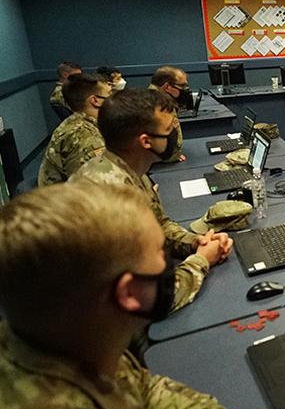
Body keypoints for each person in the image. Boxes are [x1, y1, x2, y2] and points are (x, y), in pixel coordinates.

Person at [0, 182, 281, 409]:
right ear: (129, 293)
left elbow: (139, 391)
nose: (168, 263)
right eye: (161, 253)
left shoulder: (75, 340)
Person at [72, 89, 233, 314]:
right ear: (146, 141)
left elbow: (160, 226)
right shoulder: (111, 198)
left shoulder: (127, 169)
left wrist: (196, 242)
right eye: (169, 130)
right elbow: (153, 298)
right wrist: (202, 260)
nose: (176, 132)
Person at [38, 73, 110, 186]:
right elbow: (91, 189)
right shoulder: (84, 136)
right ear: (95, 100)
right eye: (110, 95)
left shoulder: (75, 121)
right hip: (65, 200)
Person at [149, 66, 190, 163]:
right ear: (167, 87)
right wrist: (172, 155)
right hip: (160, 164)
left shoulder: (162, 100)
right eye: (182, 86)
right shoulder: (157, 106)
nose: (186, 89)